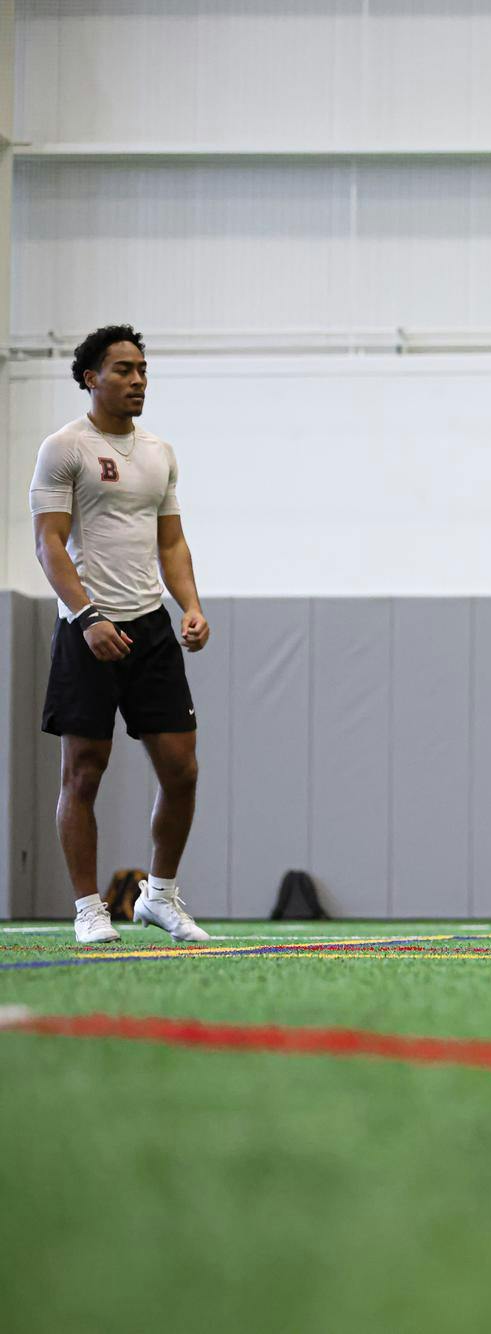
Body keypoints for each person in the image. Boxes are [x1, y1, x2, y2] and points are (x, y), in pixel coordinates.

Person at [30, 325, 213, 946]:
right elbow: (49, 542)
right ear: (91, 378)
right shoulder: (64, 449)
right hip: (87, 631)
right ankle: (88, 908)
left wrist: (189, 606)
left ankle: (159, 896)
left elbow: (171, 541)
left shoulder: (159, 452)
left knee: (182, 770)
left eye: (142, 370)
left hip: (150, 629)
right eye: (124, 370)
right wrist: (87, 619)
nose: (138, 380)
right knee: (84, 771)